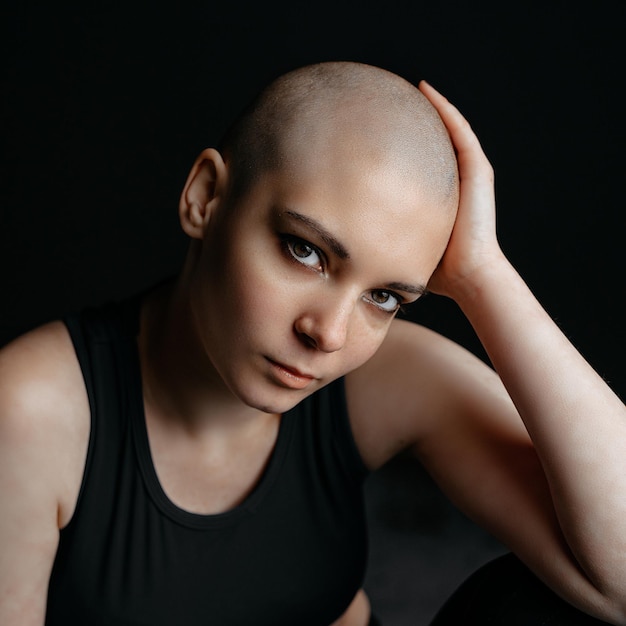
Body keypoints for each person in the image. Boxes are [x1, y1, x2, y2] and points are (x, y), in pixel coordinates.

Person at [0, 60, 624, 626]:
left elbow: (618, 588)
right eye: (305, 251)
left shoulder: (383, 379)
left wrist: (483, 273)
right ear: (205, 197)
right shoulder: (34, 411)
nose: (328, 333)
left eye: (384, 297)